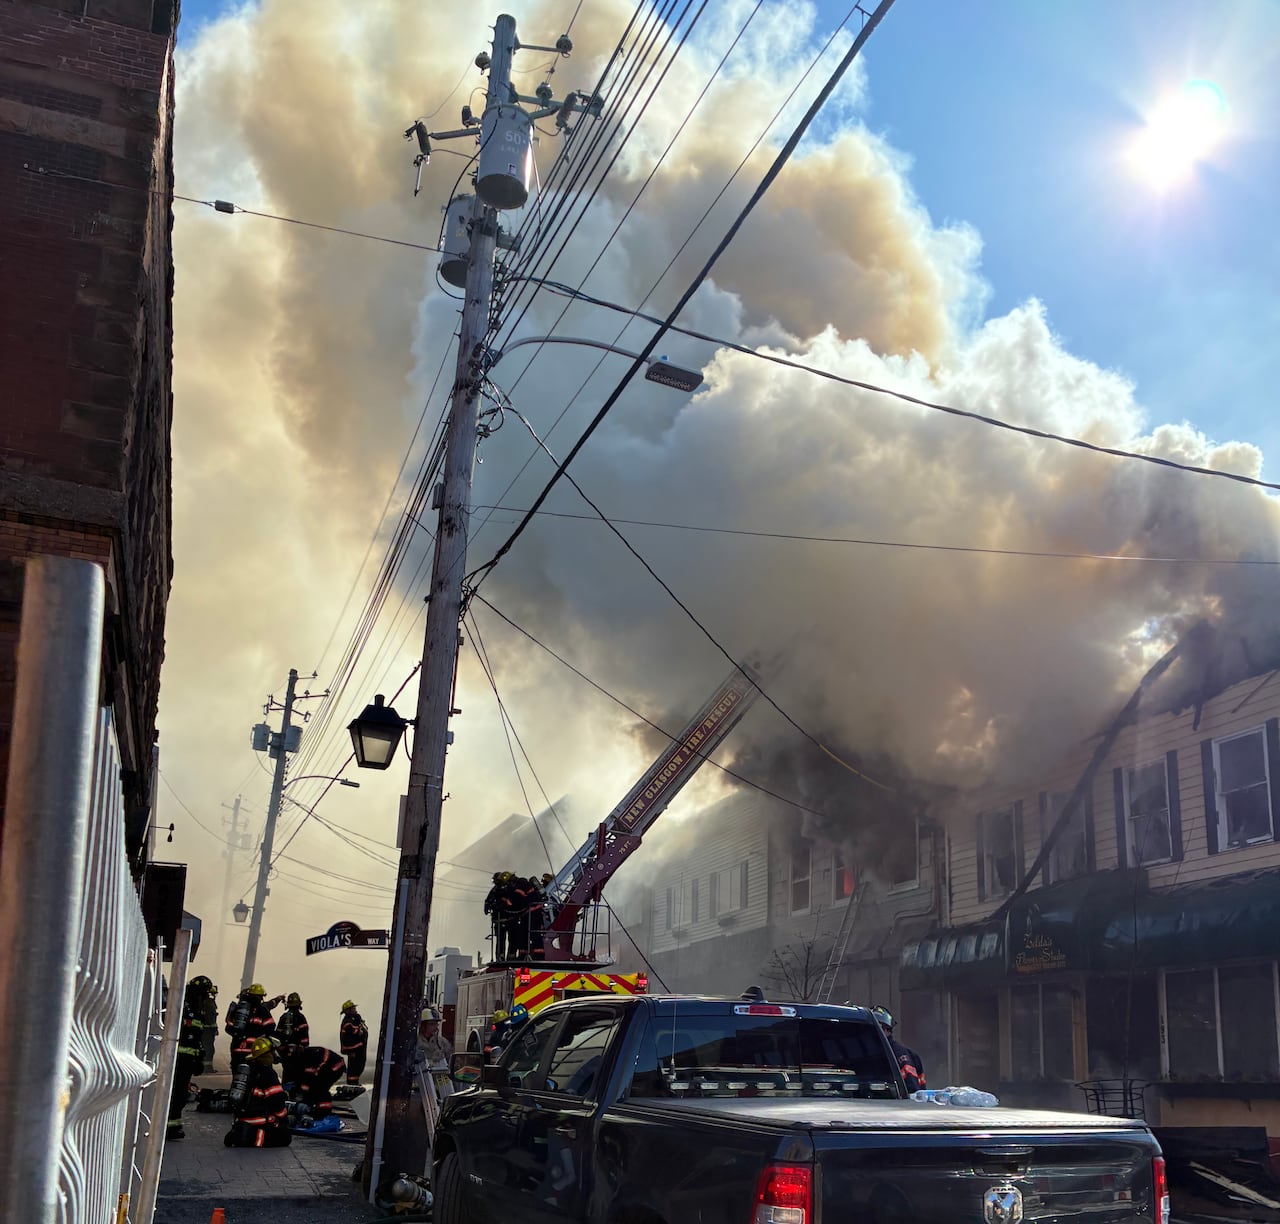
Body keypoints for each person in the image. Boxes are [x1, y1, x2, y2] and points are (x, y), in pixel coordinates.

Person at [224, 1036, 291, 1148]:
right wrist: (284, 1119)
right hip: (258, 1122)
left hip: (241, 1120)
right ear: (268, 1054)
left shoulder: (247, 1071)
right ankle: (250, 1136)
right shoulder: (268, 1074)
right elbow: (277, 1101)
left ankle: (242, 1133)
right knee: (285, 1136)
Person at [167, 975, 212, 1140]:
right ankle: (168, 1127)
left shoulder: (195, 1009)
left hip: (186, 1061)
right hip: (178, 1060)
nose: (206, 998)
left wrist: (199, 1056)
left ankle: (174, 1126)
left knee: (179, 1094)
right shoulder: (184, 1008)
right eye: (205, 994)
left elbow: (196, 1038)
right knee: (175, 1094)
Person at [871, 1005, 926, 1093]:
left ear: (888, 1030)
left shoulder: (898, 1053)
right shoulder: (867, 1052)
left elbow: (912, 1088)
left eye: (877, 1029)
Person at [291, 1044, 347, 1126]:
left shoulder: (310, 1057)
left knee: (320, 1088)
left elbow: (309, 1079)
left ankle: (323, 1112)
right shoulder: (302, 1059)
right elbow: (301, 1077)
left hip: (335, 1067)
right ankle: (315, 1107)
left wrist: (305, 1099)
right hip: (325, 1066)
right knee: (313, 1088)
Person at [225, 983, 278, 1068]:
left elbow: (228, 1028)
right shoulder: (262, 1010)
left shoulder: (238, 1009)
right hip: (254, 1050)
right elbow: (271, 1027)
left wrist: (240, 1036)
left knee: (238, 1076)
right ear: (261, 997)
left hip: (237, 1048)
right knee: (253, 1076)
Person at [276, 991, 310, 1083]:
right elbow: (305, 1037)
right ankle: (296, 1093)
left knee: (287, 1074)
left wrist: (281, 1050)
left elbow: (277, 1036)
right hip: (298, 1054)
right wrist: (303, 1048)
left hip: (285, 1054)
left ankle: (287, 1092)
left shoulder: (283, 1017)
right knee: (298, 1075)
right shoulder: (301, 1018)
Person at [339, 999, 369, 1084]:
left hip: (358, 1049)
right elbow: (357, 1032)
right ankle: (352, 1084)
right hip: (354, 1050)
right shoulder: (348, 1022)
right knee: (354, 1069)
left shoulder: (354, 1019)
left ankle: (354, 1083)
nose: (355, 1010)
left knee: (359, 1067)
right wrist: (360, 1027)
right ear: (348, 1010)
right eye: (353, 1008)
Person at [199, 982, 220, 1070]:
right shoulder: (209, 1003)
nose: (213, 996)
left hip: (204, 1029)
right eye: (212, 994)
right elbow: (210, 1018)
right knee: (208, 1048)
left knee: (204, 1047)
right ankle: (207, 1067)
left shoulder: (201, 1002)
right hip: (208, 1030)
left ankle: (203, 1066)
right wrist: (214, 1028)